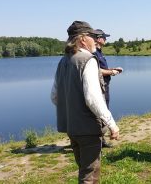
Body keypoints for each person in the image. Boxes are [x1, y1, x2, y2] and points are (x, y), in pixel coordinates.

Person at [51, 21, 119, 183]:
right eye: (92, 36)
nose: (95, 40)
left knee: (83, 168)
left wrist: (72, 111)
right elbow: (93, 99)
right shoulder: (87, 59)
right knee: (89, 175)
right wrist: (112, 124)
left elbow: (55, 96)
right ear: (82, 39)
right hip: (88, 129)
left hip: (71, 128)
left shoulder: (63, 60)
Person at [92, 29, 123, 148]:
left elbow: (101, 68)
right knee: (101, 112)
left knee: (104, 111)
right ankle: (99, 141)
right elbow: (96, 70)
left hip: (104, 86)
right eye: (104, 37)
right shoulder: (93, 53)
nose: (105, 39)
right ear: (99, 38)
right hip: (100, 87)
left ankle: (100, 140)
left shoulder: (98, 51)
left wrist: (113, 69)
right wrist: (111, 72)